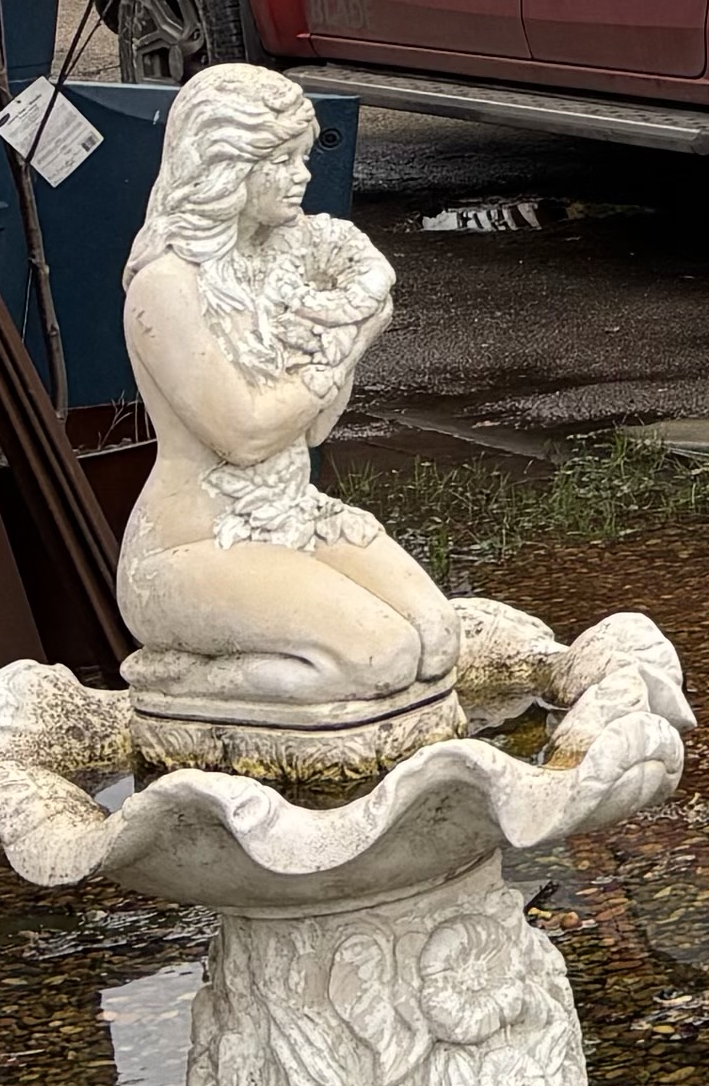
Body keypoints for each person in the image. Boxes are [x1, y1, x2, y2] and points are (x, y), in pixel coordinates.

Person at [117, 62, 457, 702]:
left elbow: (317, 425)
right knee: (378, 656)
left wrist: (354, 322)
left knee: (436, 638)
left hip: (291, 513)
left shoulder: (279, 258)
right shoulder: (166, 287)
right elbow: (242, 434)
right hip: (193, 544)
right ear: (228, 164)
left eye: (302, 156)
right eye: (281, 159)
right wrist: (340, 346)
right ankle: (181, 685)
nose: (303, 175)